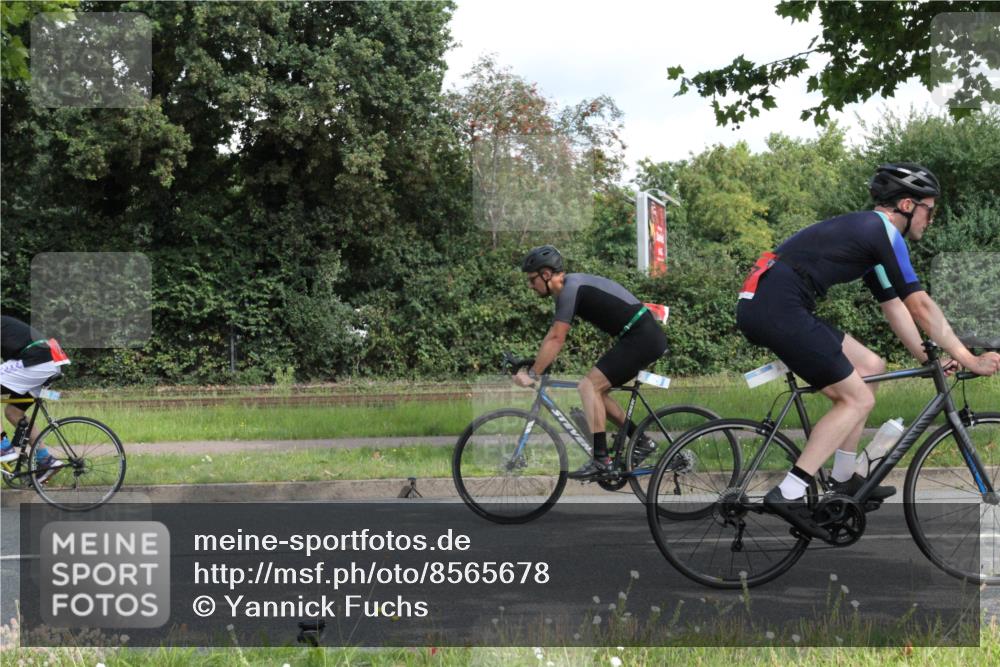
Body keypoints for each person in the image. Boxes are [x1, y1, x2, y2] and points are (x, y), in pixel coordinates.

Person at [736, 163, 1000, 537]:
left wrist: (932, 360)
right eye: (930, 208)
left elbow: (897, 307)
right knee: (856, 400)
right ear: (907, 205)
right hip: (778, 307)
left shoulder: (868, 238)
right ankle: (790, 491)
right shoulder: (883, 232)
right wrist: (971, 357)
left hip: (770, 303)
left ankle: (844, 480)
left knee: (871, 365)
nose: (932, 218)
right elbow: (921, 305)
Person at [514, 245, 668, 479]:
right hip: (639, 336)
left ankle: (601, 460)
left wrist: (533, 374)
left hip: (642, 337)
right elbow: (552, 335)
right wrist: (536, 364)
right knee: (598, 393)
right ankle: (642, 441)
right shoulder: (569, 289)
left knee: (588, 386)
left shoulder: (570, 289)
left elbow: (557, 338)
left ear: (546, 275)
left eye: (532, 279)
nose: (530, 285)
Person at [0, 314, 71, 482]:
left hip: (37, 362)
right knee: (13, 412)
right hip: (47, 363)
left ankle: (3, 447)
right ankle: (46, 460)